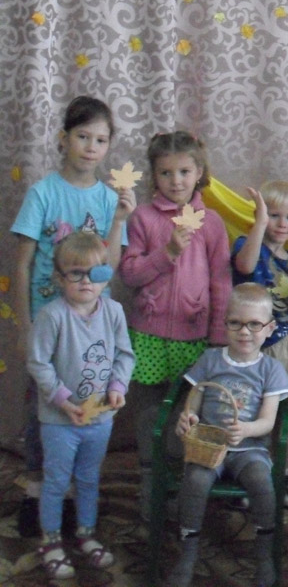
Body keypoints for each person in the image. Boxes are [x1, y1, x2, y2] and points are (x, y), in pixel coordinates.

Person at [11, 95, 136, 537]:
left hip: (91, 324)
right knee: (44, 410)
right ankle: (37, 494)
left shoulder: (107, 198)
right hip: (49, 324)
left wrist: (118, 220)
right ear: (64, 139)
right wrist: (23, 324)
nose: (91, 147)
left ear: (109, 146)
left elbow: (110, 266)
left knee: (83, 406)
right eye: (83, 136)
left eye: (100, 140)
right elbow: (22, 264)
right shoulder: (43, 193)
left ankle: (74, 498)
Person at [118, 130, 232, 518]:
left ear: (199, 172)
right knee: (149, 415)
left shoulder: (211, 223)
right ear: (154, 175)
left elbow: (221, 283)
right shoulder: (143, 218)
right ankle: (150, 481)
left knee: (187, 418)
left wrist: (218, 338)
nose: (176, 181)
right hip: (148, 338)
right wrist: (166, 252)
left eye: (184, 172)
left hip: (195, 340)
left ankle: (182, 486)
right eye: (166, 173)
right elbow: (129, 274)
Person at [166, 283, 288, 587]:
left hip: (250, 450)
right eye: (236, 323)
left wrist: (247, 430)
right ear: (225, 324)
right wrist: (189, 417)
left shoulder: (271, 368)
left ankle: (264, 553)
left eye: (254, 324)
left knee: (262, 483)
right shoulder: (211, 359)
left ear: (269, 328)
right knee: (195, 482)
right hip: (209, 446)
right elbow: (195, 398)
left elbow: (268, 421)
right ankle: (188, 552)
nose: (244, 332)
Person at [27, 231, 135, 580]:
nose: (86, 281)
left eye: (95, 273)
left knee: (89, 478)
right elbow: (38, 363)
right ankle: (50, 541)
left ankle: (86, 533)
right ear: (60, 278)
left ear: (106, 275)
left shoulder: (114, 312)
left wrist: (117, 386)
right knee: (57, 480)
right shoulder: (52, 316)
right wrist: (63, 400)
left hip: (100, 418)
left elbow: (124, 355)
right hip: (59, 421)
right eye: (76, 273)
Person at [232, 181, 288, 507]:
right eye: (273, 215)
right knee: (248, 409)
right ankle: (247, 472)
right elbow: (245, 267)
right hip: (250, 346)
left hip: (282, 346)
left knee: (283, 414)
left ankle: (283, 472)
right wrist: (259, 225)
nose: (281, 224)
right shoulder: (247, 244)